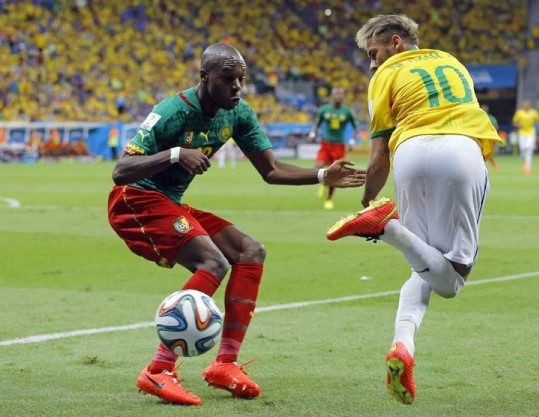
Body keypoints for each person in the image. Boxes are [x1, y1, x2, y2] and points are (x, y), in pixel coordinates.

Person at [107, 43, 365, 406]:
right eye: (228, 79)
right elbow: (120, 172)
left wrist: (323, 174)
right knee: (213, 262)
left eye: (241, 79)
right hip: (135, 200)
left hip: (169, 203)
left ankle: (224, 364)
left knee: (250, 251)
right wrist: (176, 154)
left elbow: (272, 171)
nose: (237, 87)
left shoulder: (239, 114)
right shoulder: (171, 112)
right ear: (204, 77)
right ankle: (158, 369)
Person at [325, 15, 503, 405]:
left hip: (409, 152)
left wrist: (369, 201)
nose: (373, 63)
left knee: (422, 267)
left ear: (395, 42)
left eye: (374, 54)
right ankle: (393, 231)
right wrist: (379, 221)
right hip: (459, 150)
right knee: (451, 281)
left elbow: (377, 159)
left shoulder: (383, 77)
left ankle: (402, 345)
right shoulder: (453, 62)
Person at [308, 87, 359, 209]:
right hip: (326, 143)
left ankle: (329, 198)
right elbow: (317, 124)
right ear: (332, 96)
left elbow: (355, 127)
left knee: (334, 172)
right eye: (335, 94)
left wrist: (352, 141)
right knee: (318, 165)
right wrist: (312, 134)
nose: (338, 96)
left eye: (340, 94)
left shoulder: (347, 112)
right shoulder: (324, 110)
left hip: (339, 145)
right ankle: (324, 182)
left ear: (343, 97)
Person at [512, 99, 539, 175]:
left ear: (529, 105)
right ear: (523, 105)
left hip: (531, 132)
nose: (526, 106)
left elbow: (537, 120)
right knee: (523, 150)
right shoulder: (519, 113)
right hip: (522, 133)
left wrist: (533, 124)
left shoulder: (534, 112)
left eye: (527, 104)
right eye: (524, 104)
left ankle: (528, 168)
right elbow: (514, 122)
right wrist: (519, 125)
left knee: (528, 149)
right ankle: (525, 164)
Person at [481, 104, 500, 170]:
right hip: (481, 137)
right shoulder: (478, 117)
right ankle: (482, 167)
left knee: (489, 153)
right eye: (483, 109)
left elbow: (496, 127)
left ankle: (495, 165)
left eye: (485, 109)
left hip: (489, 137)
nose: (484, 110)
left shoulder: (491, 118)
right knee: (481, 152)